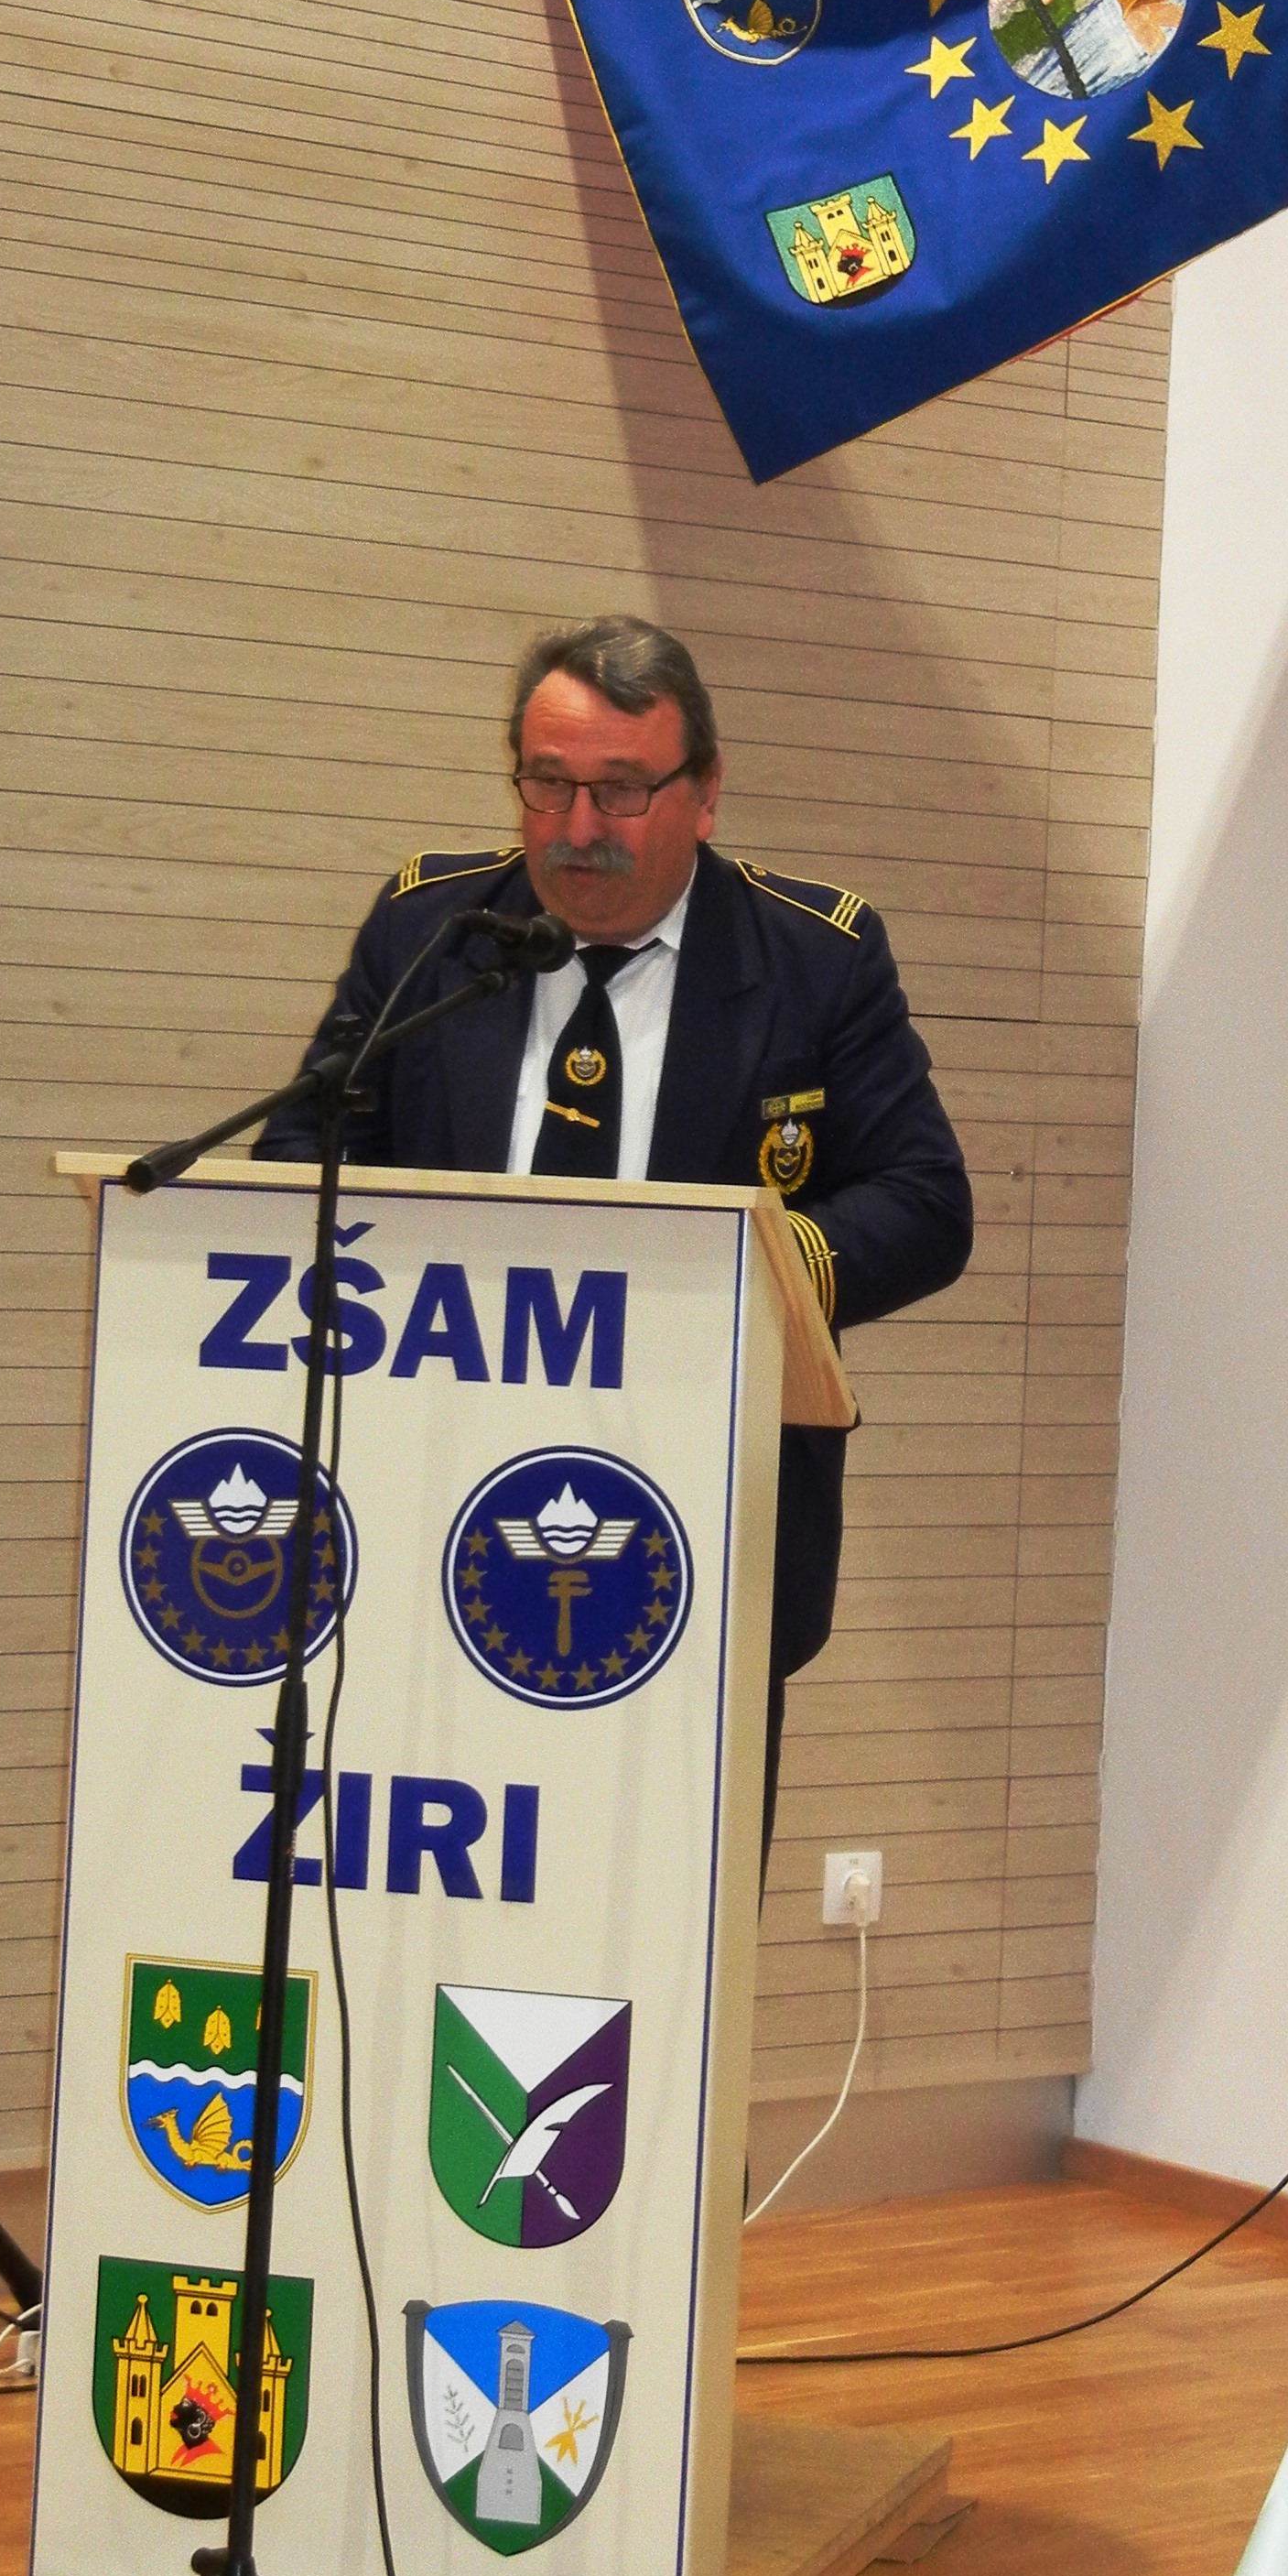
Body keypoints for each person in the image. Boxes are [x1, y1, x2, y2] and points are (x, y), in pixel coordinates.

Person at [258, 615, 972, 1859]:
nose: (577, 827)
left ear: (704, 790)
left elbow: (925, 1201)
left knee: (666, 1918)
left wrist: (751, 1269)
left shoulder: (814, 959)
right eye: (547, 783)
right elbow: (300, 1161)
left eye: (622, 790)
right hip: (432, 1514)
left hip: (698, 1530)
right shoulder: (432, 933)